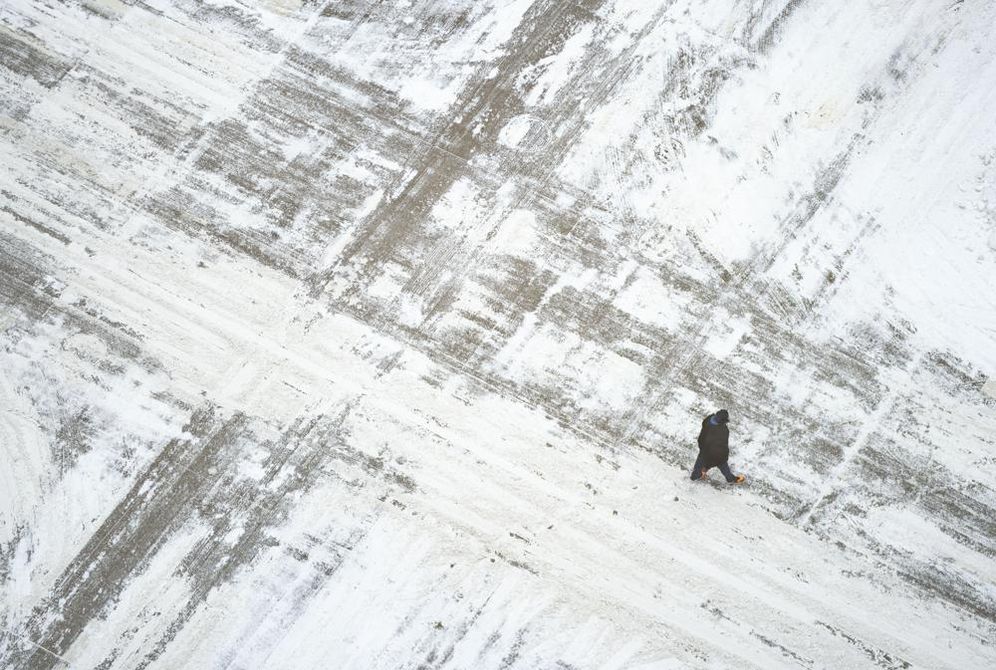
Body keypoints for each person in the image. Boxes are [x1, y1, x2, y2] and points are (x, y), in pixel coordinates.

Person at [691, 409, 745, 483]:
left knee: (696, 473)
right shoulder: (723, 431)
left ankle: (698, 475)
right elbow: (719, 449)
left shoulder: (708, 420)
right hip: (717, 456)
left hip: (704, 452)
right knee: (723, 466)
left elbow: (702, 439)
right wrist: (707, 466)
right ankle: (731, 479)